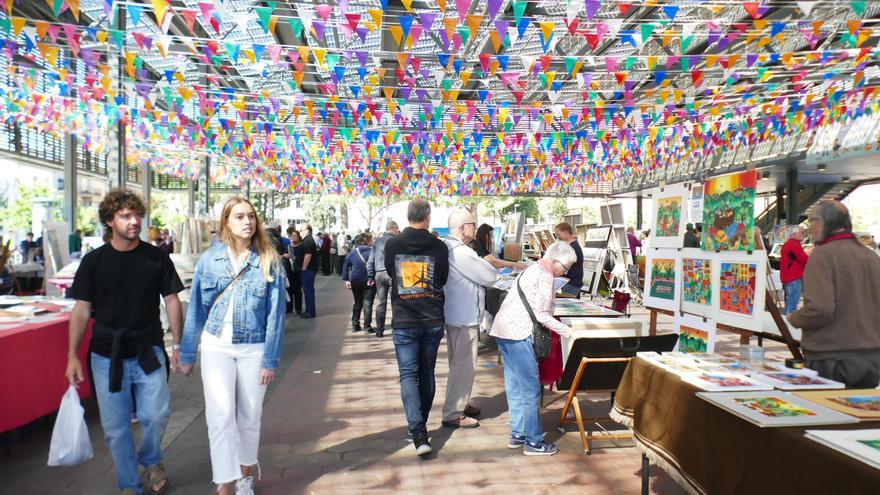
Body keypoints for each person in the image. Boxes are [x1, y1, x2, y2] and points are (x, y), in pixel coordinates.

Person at [65, 190, 184, 495]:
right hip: (106, 355)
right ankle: (129, 484)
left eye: (138, 215)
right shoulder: (93, 262)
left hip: (149, 349)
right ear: (109, 220)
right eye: (126, 216)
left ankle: (152, 459)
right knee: (116, 430)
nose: (135, 222)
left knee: (156, 415)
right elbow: (81, 309)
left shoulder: (156, 256)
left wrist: (178, 344)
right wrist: (72, 355)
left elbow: (172, 299)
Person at [178, 197, 286, 495]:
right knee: (220, 415)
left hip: (254, 347)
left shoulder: (267, 260)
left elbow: (275, 316)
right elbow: (197, 310)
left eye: (251, 216)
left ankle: (245, 476)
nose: (247, 222)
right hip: (217, 346)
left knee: (250, 417)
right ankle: (224, 483)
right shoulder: (209, 260)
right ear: (226, 222)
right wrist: (187, 353)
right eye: (239, 216)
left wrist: (270, 360)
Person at [490, 241, 575, 456]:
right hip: (519, 334)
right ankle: (534, 442)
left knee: (514, 386)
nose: (565, 272)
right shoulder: (546, 276)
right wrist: (569, 332)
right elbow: (542, 314)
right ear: (556, 261)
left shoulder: (532, 268)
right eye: (565, 268)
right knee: (529, 390)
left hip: (502, 330)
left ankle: (518, 433)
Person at [788, 201, 880, 388]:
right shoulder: (870, 255)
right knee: (860, 416)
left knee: (830, 414)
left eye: (811, 222)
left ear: (822, 222)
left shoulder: (823, 255)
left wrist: (794, 318)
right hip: (870, 357)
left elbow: (820, 309)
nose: (809, 229)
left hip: (833, 358)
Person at [384, 200, 449, 456]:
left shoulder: (393, 244)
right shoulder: (439, 246)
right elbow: (442, 278)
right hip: (432, 317)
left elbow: (392, 273)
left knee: (408, 375)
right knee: (427, 371)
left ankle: (418, 432)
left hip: (405, 318)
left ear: (408, 216)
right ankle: (420, 427)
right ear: (428, 217)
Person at [441, 211, 497, 430]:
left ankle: (460, 404)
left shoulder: (449, 248)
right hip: (463, 316)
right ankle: (453, 412)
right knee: (463, 366)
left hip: (457, 314)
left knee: (459, 363)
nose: (475, 228)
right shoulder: (461, 252)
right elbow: (489, 275)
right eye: (472, 224)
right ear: (462, 228)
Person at [367, 220, 400, 338]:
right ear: (394, 228)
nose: (398, 231)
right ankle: (394, 328)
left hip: (379, 274)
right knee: (395, 302)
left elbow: (370, 261)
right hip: (392, 273)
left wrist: (370, 276)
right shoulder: (396, 241)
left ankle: (379, 330)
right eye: (397, 229)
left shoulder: (377, 242)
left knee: (381, 303)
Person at [343, 233, 376, 333]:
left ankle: (355, 325)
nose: (372, 241)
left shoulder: (353, 252)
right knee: (368, 304)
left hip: (355, 281)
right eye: (371, 240)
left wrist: (347, 279)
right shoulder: (372, 252)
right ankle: (367, 327)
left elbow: (345, 266)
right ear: (367, 241)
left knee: (357, 303)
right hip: (369, 281)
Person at [780, 226, 809, 314]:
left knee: (790, 302)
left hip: (790, 277)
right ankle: (788, 326)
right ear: (794, 234)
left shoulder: (791, 243)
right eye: (802, 232)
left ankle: (785, 324)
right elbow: (804, 259)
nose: (804, 235)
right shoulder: (793, 244)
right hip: (793, 277)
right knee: (792, 304)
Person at [554, 222, 583, 298]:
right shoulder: (569, 246)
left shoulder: (573, 248)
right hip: (568, 283)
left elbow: (564, 266)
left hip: (571, 284)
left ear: (566, 233)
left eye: (558, 234)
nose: (557, 237)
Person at [299, 224, 319, 318]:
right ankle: (309, 310)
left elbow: (308, 256)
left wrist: (303, 268)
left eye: (301, 230)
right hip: (310, 269)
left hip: (308, 269)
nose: (300, 232)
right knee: (308, 291)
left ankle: (310, 312)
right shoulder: (308, 240)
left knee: (308, 291)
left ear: (307, 230)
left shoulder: (307, 241)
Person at [285, 227, 304, 315]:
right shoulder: (288, 246)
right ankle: (289, 308)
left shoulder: (302, 246)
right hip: (289, 270)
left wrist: (292, 257)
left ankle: (298, 308)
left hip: (298, 270)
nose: (293, 237)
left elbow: (301, 259)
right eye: (292, 236)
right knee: (289, 289)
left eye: (295, 236)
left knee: (297, 290)